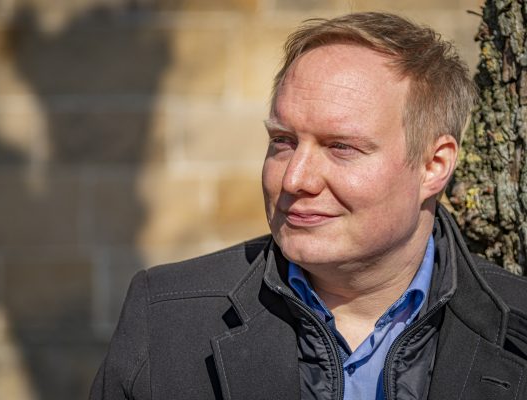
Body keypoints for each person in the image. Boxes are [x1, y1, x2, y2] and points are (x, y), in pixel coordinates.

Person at [90, 12, 527, 400]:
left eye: (341, 147)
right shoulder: (167, 318)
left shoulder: (517, 329)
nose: (294, 179)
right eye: (283, 141)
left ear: (434, 166)